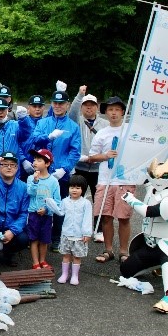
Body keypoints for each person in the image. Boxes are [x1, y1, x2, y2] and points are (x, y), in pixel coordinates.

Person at [121, 159, 168, 314]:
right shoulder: (154, 189)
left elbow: (149, 211)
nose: (155, 180)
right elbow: (143, 178)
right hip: (150, 244)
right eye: (154, 176)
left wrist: (131, 199)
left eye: (160, 177)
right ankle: (158, 267)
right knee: (126, 270)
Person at [27, 88, 81, 251]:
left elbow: (75, 151)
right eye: (55, 103)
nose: (58, 106)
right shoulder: (43, 123)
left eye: (61, 103)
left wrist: (65, 169)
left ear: (67, 105)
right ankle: (35, 236)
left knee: (59, 205)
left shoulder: (73, 127)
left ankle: (56, 237)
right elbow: (34, 140)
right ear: (51, 104)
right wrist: (48, 137)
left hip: (60, 173)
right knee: (38, 203)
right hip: (42, 171)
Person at [86, 96, 136, 264]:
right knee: (106, 217)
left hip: (124, 180)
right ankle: (108, 250)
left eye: (117, 109)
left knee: (123, 217)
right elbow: (92, 157)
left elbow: (151, 141)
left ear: (123, 112)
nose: (113, 113)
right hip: (105, 180)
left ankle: (123, 251)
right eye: (110, 110)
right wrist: (105, 156)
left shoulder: (130, 130)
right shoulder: (102, 133)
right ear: (106, 112)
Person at [69, 86, 109, 242]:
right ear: (82, 107)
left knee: (99, 199)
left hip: (99, 168)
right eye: (86, 105)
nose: (89, 108)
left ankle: (98, 229)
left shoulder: (105, 124)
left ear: (97, 107)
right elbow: (72, 111)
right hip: (80, 167)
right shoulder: (77, 121)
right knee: (76, 198)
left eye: (92, 105)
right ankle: (76, 228)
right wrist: (80, 95)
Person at [45, 174, 93, 285]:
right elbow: (60, 212)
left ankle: (75, 275)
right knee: (66, 255)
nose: (74, 190)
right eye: (72, 187)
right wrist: (51, 203)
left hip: (79, 235)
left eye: (77, 188)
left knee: (77, 256)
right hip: (66, 234)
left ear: (83, 189)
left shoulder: (86, 203)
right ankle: (64, 274)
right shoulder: (65, 201)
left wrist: (87, 233)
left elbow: (87, 218)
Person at [0, 151, 30, 266]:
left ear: (17, 168)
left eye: (12, 165)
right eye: (5, 164)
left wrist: (12, 231)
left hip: (11, 226)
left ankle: (9, 253)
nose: (9, 167)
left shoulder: (23, 187)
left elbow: (24, 213)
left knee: (23, 239)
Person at [25, 148, 60, 270]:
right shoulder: (31, 178)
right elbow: (30, 193)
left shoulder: (54, 181)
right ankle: (35, 262)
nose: (35, 162)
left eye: (39, 160)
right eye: (34, 159)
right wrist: (35, 181)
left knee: (44, 240)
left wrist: (47, 209)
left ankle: (42, 260)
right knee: (33, 239)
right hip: (33, 213)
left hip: (47, 215)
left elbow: (57, 201)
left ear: (47, 163)